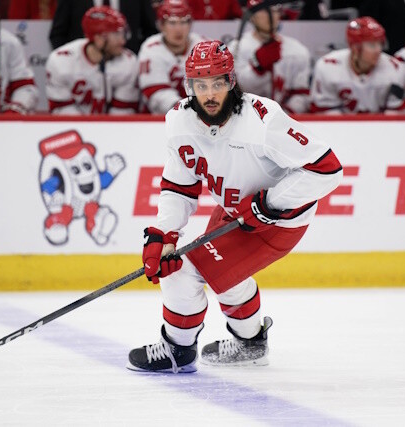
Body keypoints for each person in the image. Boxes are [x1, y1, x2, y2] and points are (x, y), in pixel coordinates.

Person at [127, 40, 343, 373]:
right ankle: (251, 344)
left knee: (184, 272)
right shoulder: (179, 121)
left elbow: (327, 169)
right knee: (221, 274)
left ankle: (177, 350)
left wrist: (270, 203)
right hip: (236, 211)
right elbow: (179, 185)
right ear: (190, 87)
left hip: (279, 221)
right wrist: (164, 234)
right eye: (201, 85)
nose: (209, 93)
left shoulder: (262, 119)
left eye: (216, 83)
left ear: (231, 82)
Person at [309, 17, 405, 114]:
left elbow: (392, 115)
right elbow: (324, 113)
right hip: (339, 135)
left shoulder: (393, 68)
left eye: (380, 44)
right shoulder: (327, 66)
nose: (378, 50)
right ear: (356, 48)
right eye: (371, 45)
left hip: (380, 134)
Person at [45, 6, 139, 114]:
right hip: (74, 128)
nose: (123, 41)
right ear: (98, 39)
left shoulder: (129, 62)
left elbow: (122, 114)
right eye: (116, 34)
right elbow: (63, 112)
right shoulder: (60, 61)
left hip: (112, 129)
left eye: (123, 33)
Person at [229, 0, 311, 114]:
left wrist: (283, 116)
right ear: (251, 17)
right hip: (246, 116)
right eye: (263, 10)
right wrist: (257, 66)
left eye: (275, 10)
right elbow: (236, 89)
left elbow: (301, 94)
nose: (271, 15)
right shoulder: (237, 47)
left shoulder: (297, 50)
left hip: (285, 119)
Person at [137, 0, 205, 114]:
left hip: (201, 116)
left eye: (184, 22)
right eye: (172, 23)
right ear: (161, 25)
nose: (179, 29)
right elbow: (157, 95)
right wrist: (186, 111)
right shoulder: (151, 48)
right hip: (158, 122)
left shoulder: (203, 47)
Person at [49, 0, 158, 54]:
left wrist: (134, 56)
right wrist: (76, 61)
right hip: (82, 71)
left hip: (127, 71)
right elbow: (57, 35)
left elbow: (150, 31)